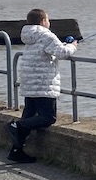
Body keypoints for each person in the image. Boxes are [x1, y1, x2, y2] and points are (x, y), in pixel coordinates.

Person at [5, 8, 77, 164]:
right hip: (44, 84)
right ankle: (15, 125)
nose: (49, 23)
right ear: (43, 21)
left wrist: (62, 46)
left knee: (29, 117)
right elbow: (63, 53)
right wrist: (73, 45)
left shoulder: (29, 36)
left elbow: (50, 49)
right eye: (48, 20)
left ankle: (16, 151)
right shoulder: (46, 35)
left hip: (30, 83)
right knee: (48, 117)